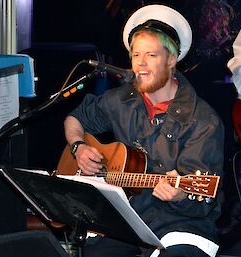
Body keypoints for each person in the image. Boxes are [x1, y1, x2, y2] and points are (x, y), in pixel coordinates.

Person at [63, 4, 224, 257]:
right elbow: (75, 119)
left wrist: (181, 194)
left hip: (181, 225)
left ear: (172, 59)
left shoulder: (204, 121)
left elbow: (203, 204)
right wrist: (78, 147)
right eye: (136, 55)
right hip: (127, 218)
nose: (141, 64)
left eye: (151, 55)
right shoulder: (121, 100)